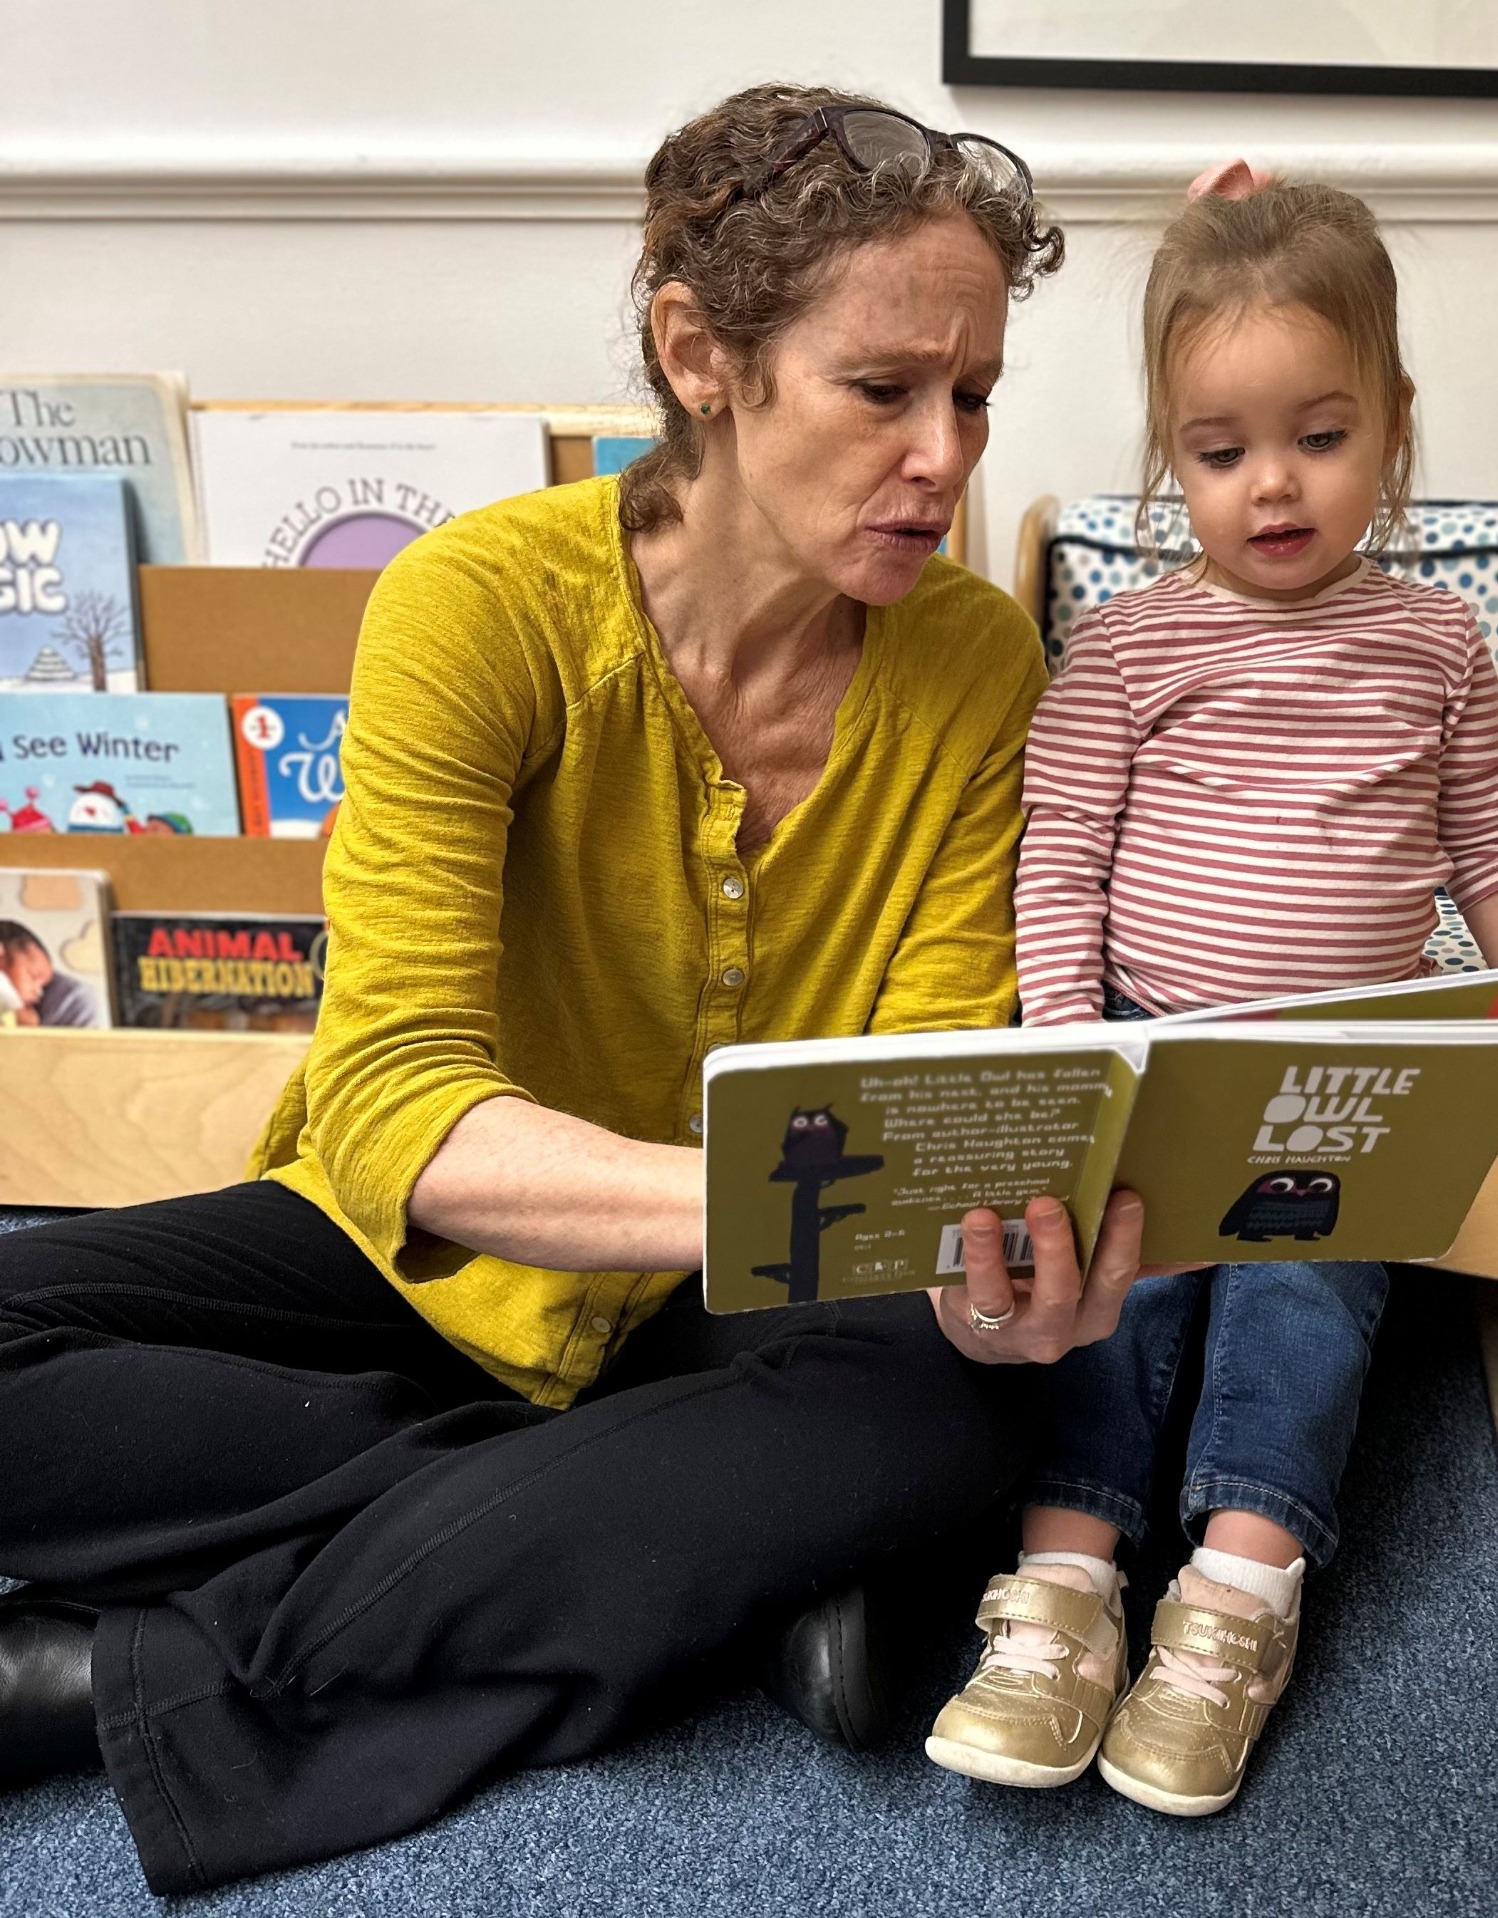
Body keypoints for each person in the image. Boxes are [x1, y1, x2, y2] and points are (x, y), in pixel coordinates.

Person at [0, 84, 1155, 1895]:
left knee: (957, 1402)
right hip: (425, 1261)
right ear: (702, 357)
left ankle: (108, 1677)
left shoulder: (981, 665)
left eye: (976, 395)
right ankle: (671, 1544)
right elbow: (394, 1106)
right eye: (883, 389)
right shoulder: (481, 605)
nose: (946, 454)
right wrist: (757, 1194)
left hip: (758, 1307)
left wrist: (981, 1277)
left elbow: (918, 1103)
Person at [926, 163, 1498, 1816]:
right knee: (1116, 1288)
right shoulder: (1125, 646)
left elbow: (1490, 848)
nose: (1272, 484)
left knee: (1305, 1294)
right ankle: (1064, 1586)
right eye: (1219, 451)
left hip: (1347, 1071)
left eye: (1320, 437)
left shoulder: (1439, 643)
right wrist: (1068, 1043)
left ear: (1394, 425)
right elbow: (1060, 862)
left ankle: (1236, 1598)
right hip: (1152, 1053)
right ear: (1168, 453)